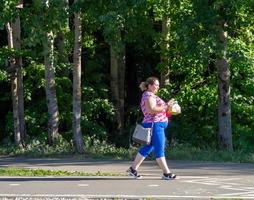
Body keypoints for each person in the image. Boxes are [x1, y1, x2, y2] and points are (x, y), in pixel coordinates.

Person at [127, 76, 176, 180]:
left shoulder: (151, 95)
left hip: (157, 124)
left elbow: (160, 110)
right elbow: (151, 110)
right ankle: (166, 173)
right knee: (159, 149)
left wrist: (172, 108)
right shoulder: (149, 95)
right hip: (155, 125)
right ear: (149, 85)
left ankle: (133, 169)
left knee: (148, 147)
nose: (157, 87)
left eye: (158, 85)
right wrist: (166, 105)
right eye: (155, 85)